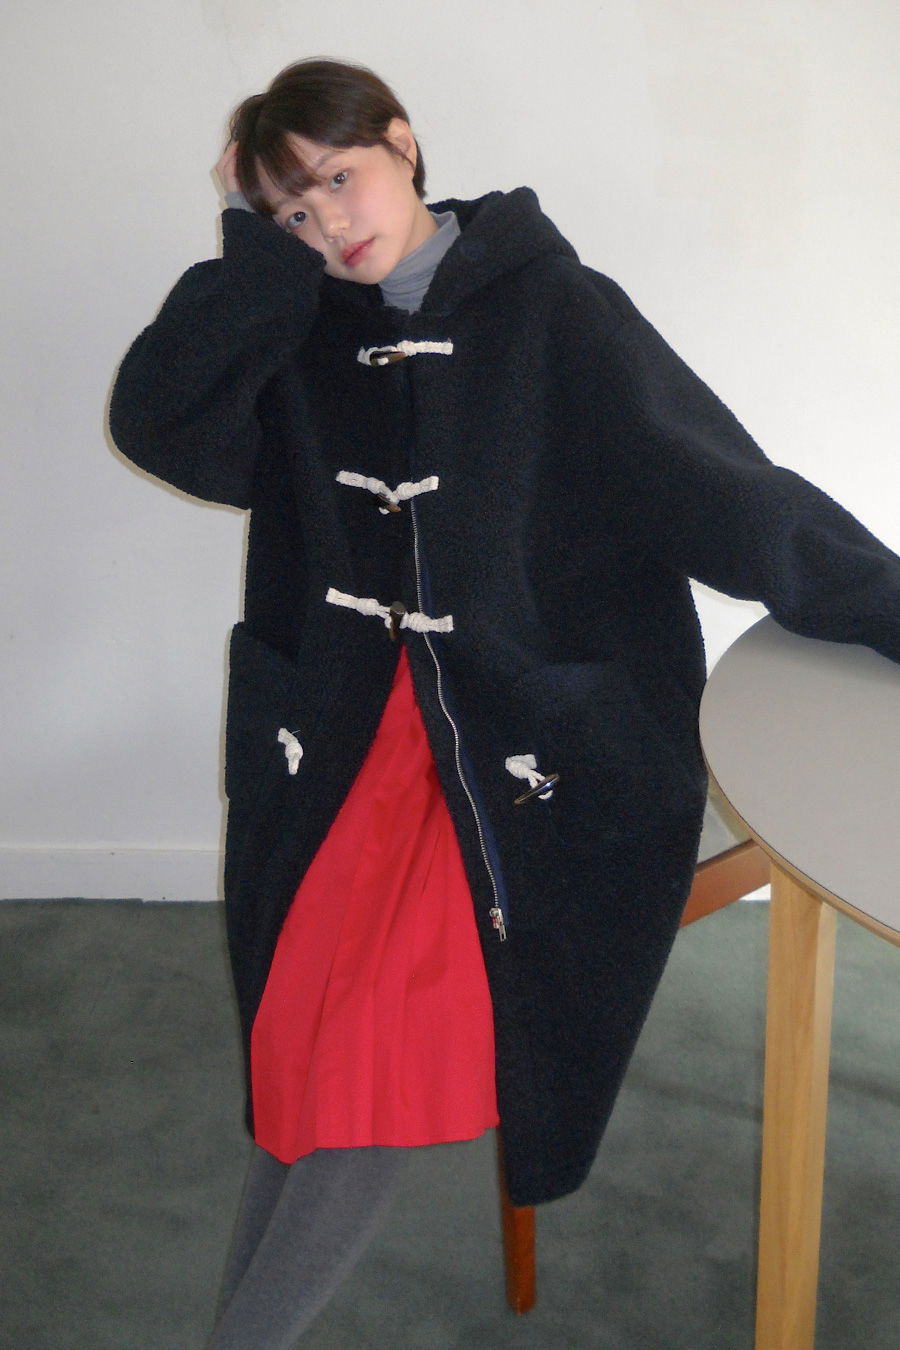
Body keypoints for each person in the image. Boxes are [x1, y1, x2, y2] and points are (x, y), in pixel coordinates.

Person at [109, 57, 900, 1346]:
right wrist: (257, 259)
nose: (330, 227)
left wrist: (887, 606)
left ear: (404, 142)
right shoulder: (300, 325)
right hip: (346, 736)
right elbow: (162, 424)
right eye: (293, 212)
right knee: (309, 1042)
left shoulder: (555, 312)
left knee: (363, 1060)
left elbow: (727, 495)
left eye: (339, 181)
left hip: (522, 741)